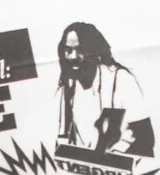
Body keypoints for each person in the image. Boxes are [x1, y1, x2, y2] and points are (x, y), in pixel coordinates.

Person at [55, 21, 153, 157]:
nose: (73, 56)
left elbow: (146, 139)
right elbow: (62, 140)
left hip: (121, 168)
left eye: (80, 50)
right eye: (68, 50)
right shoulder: (68, 85)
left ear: (95, 51)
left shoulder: (121, 79)